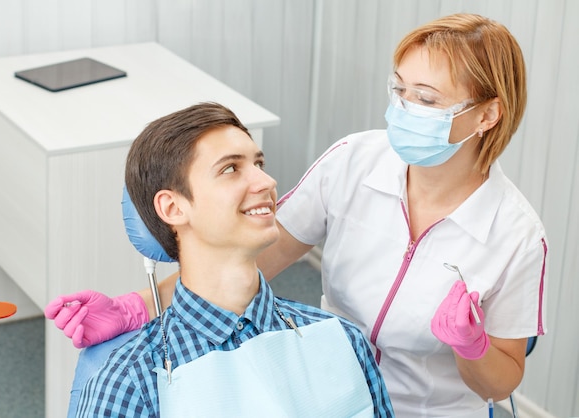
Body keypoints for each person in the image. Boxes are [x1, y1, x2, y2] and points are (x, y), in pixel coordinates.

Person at [46, 13, 548, 417]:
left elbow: (504, 378)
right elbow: (250, 254)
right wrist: (138, 306)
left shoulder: (516, 234)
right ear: (172, 207)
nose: (404, 109)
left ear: (486, 115)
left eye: (426, 99)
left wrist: (471, 345)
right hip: (324, 376)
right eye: (400, 91)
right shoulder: (355, 161)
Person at [59, 102, 394, 417]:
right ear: (173, 208)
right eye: (231, 168)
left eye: (258, 164)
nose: (266, 182)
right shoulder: (131, 383)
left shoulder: (341, 340)